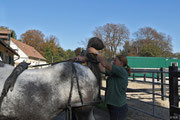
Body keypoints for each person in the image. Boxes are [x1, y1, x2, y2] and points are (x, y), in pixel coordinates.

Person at [88, 47, 130, 120]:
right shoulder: (114, 72)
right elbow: (102, 69)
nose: (113, 62)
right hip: (113, 105)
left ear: (121, 63)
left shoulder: (121, 71)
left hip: (118, 107)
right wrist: (95, 58)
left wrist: (97, 53)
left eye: (115, 60)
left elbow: (105, 64)